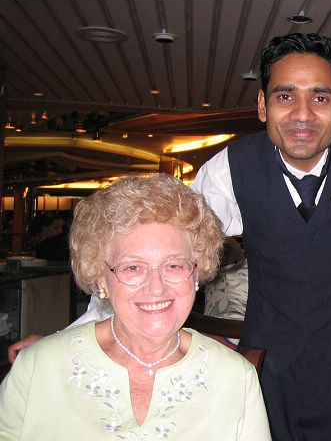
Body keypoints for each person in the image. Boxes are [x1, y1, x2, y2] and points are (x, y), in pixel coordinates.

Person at [9, 33, 331, 440]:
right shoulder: (230, 167)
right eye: (285, 96)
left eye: (320, 97)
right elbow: (147, 251)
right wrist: (75, 334)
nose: (303, 114)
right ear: (263, 105)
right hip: (264, 366)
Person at [0, 174, 270, 440]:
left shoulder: (236, 378)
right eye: (132, 267)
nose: (156, 288)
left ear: (197, 273)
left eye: (174, 265)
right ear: (101, 278)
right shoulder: (38, 368)